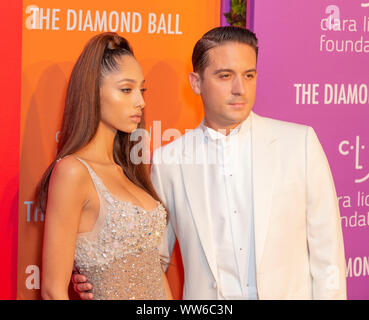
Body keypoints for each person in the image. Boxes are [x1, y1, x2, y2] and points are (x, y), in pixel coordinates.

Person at [73, 26, 346, 300]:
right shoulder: (170, 161)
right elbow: (152, 257)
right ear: (196, 82)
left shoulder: (299, 143)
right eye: (225, 76)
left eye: (248, 75)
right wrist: (101, 277)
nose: (239, 89)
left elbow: (328, 255)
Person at [38, 32, 172, 300]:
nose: (140, 102)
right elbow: (53, 291)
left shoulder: (129, 171)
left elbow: (154, 271)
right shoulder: (73, 171)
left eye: (141, 90)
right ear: (93, 92)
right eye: (126, 89)